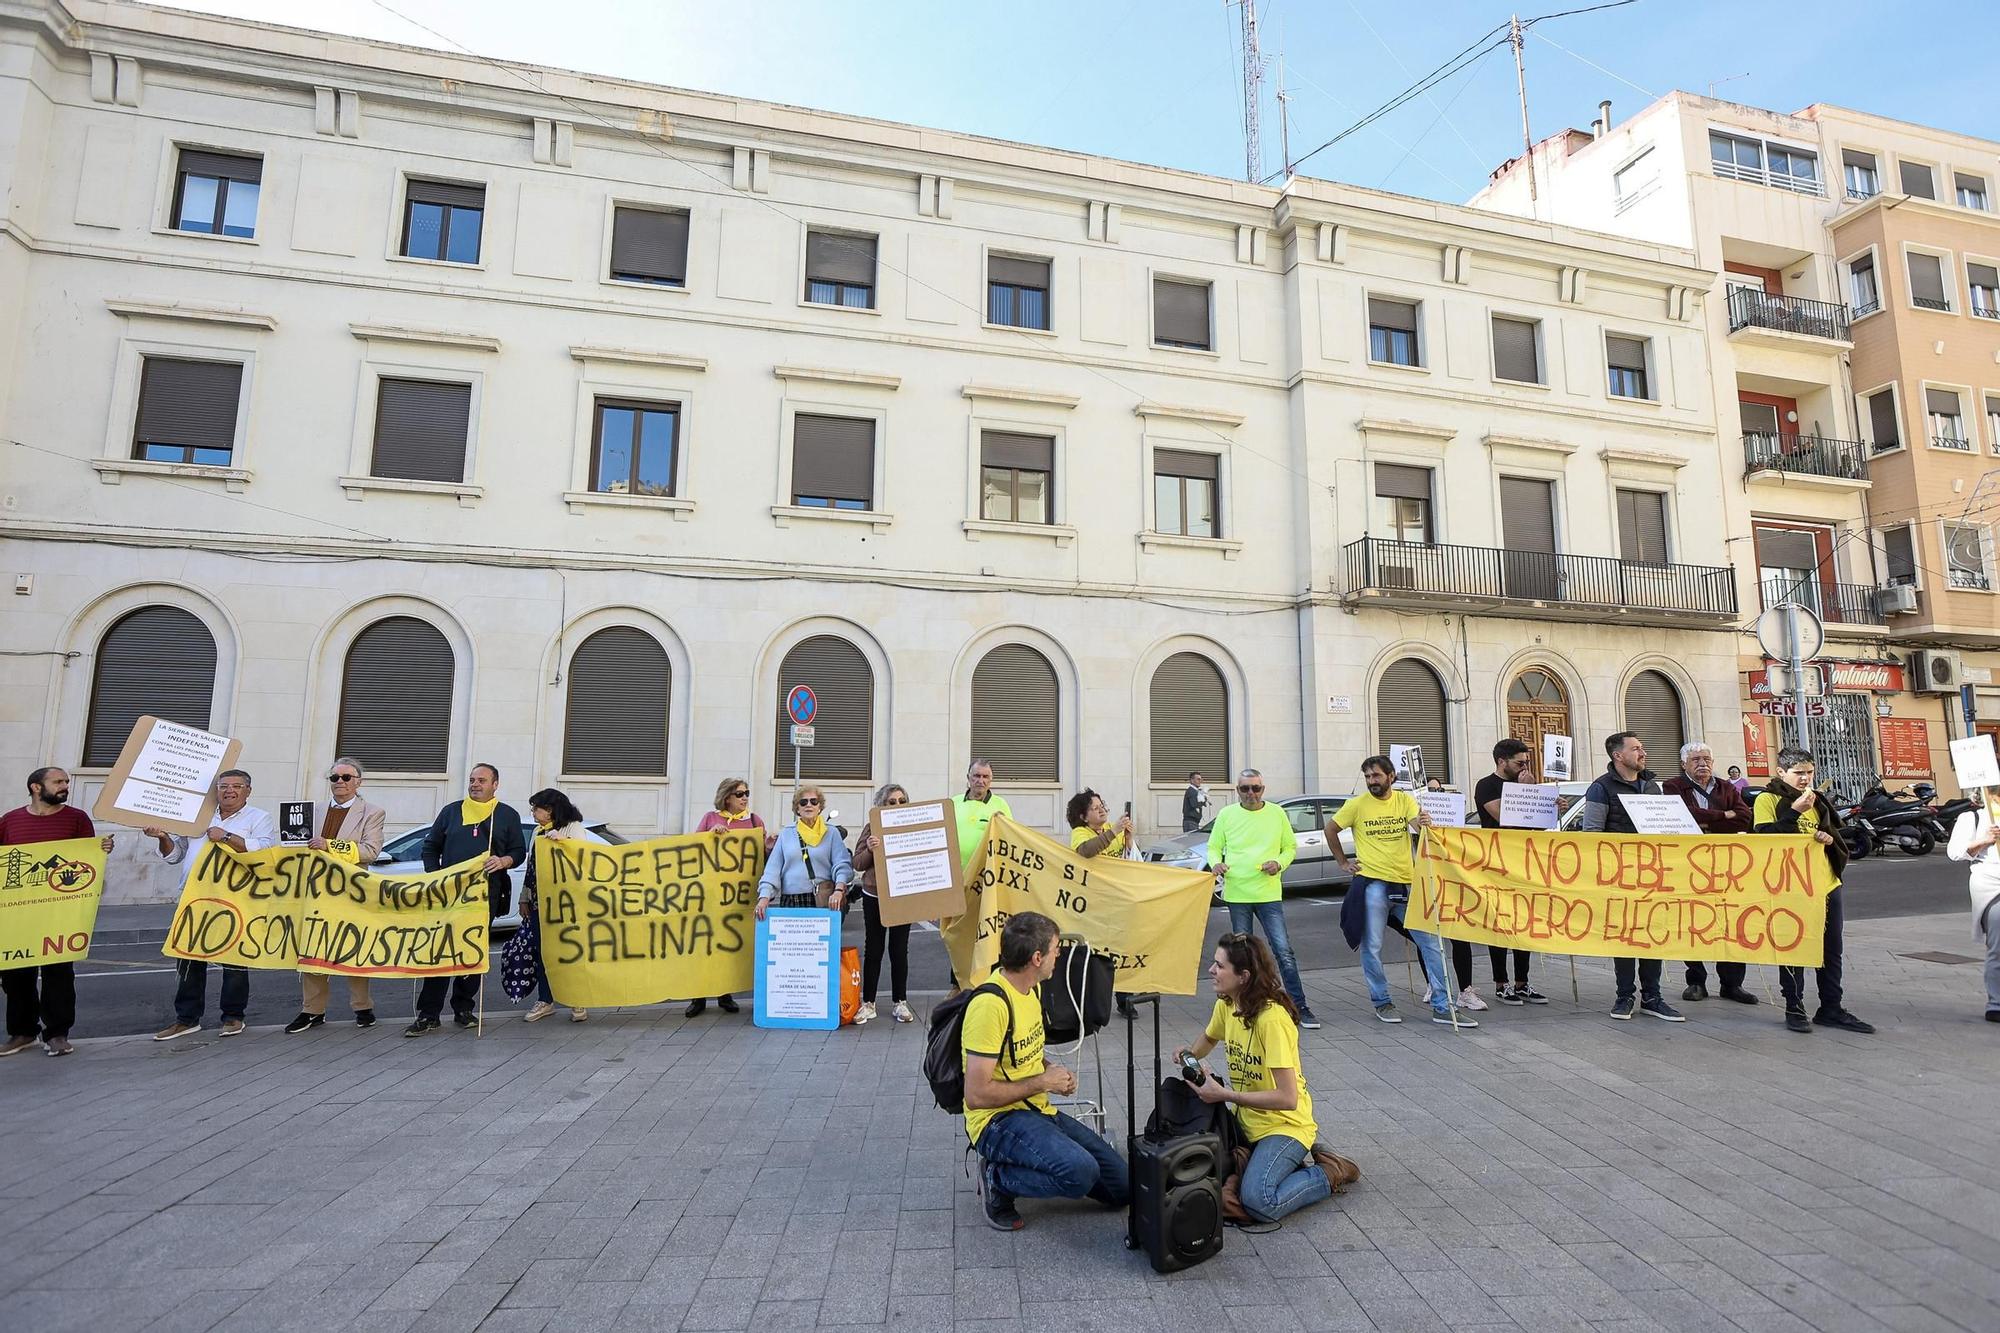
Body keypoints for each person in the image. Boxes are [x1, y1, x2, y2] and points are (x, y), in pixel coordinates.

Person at [963, 911, 1129, 1231]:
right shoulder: (990, 1005)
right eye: (1056, 949)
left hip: (1036, 1108)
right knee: (1080, 1173)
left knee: (1121, 1187)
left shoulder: (1033, 989)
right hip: (996, 1120)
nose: (1060, 955)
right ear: (1037, 958)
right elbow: (976, 1094)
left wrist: (1053, 1073)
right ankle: (998, 1180)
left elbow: (1028, 1054)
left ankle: (1043, 1163)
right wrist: (1042, 1081)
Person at [1175, 933, 1332, 1224]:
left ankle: (1327, 1173)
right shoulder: (1226, 1005)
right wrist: (1189, 1056)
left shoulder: (1272, 1019)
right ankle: (1265, 1168)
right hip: (1247, 1123)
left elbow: (1288, 1098)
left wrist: (1225, 1095)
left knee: (1260, 1203)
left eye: (1219, 966)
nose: (1211, 970)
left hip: (1286, 1127)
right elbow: (1208, 1038)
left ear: (1243, 976)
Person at [1329, 756, 1468, 1028]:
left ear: (1391, 776)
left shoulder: (1404, 800)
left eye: (1377, 776)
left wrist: (1424, 821)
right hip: (1372, 884)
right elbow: (1331, 828)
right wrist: (1342, 862)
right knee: (1372, 946)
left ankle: (1443, 1006)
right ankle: (1382, 1001)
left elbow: (1417, 824)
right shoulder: (1357, 805)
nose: (1372, 782)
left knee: (1431, 943)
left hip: (1407, 884)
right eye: (1368, 777)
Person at [145, 769, 274, 1040]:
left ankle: (233, 1017)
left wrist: (225, 836)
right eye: (223, 786)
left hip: (235, 898)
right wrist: (162, 837)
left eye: (236, 786)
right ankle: (187, 1019)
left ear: (247, 791)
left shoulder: (259, 818)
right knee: (189, 959)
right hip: (193, 897)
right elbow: (175, 856)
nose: (229, 791)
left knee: (234, 959)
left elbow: (263, 852)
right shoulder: (197, 817)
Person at [1753, 747, 1872, 1035]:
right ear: (1781, 772)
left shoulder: (1818, 801)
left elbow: (1832, 836)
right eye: (1798, 773)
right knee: (1793, 947)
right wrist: (1794, 812)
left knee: (1831, 949)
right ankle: (1794, 1007)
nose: (1805, 779)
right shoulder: (1768, 799)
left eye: (1809, 772)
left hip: (1826, 882)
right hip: (1790, 887)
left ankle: (1831, 1007)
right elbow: (1764, 838)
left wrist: (1827, 838)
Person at [0, 767, 114, 1057]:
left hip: (59, 913)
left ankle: (57, 1034)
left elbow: (87, 859)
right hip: (17, 913)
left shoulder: (77, 819)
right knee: (15, 975)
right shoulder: (10, 821)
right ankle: (22, 1032)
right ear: (36, 787)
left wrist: (101, 849)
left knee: (59, 975)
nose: (65, 786)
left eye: (66, 781)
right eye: (58, 782)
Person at [404, 764, 525, 1037]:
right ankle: (429, 1014)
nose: (475, 784)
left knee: (471, 950)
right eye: (472, 780)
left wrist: (504, 860)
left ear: (496, 784)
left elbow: (518, 851)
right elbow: (430, 846)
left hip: (485, 895)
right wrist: (437, 877)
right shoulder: (450, 812)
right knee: (439, 951)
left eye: (482, 780)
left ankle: (463, 1008)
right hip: (447, 895)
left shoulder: (506, 815)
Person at [1580, 733, 1683, 1022]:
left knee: (1651, 933)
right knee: (1624, 936)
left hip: (1652, 874)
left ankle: (1653, 996)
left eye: (1642, 747)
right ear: (1618, 755)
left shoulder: (1651, 786)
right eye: (1636, 748)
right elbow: (1592, 834)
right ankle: (1625, 995)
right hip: (1620, 875)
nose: (1643, 752)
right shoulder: (1600, 788)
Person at [1209, 769, 1318, 1028]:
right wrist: (1216, 863)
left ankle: (1299, 1005)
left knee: (1283, 950)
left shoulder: (1277, 813)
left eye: (1255, 788)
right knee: (1242, 956)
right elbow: (1214, 846)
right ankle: (1245, 1004)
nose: (1250, 794)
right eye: (1245, 788)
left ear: (1263, 789)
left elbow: (1289, 847)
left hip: (1268, 892)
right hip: (1237, 893)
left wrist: (1279, 863)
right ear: (1237, 790)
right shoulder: (1226, 815)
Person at [284, 757, 387, 1033]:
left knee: (354, 949)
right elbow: (292, 846)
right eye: (335, 778)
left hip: (350, 892)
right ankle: (312, 1010)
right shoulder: (311, 811)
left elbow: (370, 851)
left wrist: (330, 845)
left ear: (358, 782)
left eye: (346, 777)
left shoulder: (372, 812)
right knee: (313, 951)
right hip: (315, 892)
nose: (340, 782)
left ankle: (363, 1008)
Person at [1663, 741, 1758, 1005]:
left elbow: (1743, 817)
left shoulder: (1727, 786)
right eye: (1696, 760)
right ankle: (1696, 981)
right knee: (1692, 921)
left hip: (1727, 867)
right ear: (1684, 764)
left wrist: (1709, 818)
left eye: (1706, 759)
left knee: (1731, 922)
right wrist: (1723, 815)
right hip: (1689, 866)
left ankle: (1732, 984)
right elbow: (1683, 816)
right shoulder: (1673, 786)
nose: (1702, 764)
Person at [687, 777, 770, 1017]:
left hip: (739, 896)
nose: (745, 798)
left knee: (729, 946)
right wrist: (710, 835)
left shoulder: (754, 821)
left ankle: (725, 994)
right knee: (705, 945)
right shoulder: (710, 818)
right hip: (710, 895)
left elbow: (761, 858)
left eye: (747, 793)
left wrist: (768, 846)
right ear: (727, 798)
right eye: (740, 794)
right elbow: (693, 849)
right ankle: (698, 996)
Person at [1472, 739, 1545, 1005]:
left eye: (1526, 762)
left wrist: (1549, 805)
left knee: (1524, 922)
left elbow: (1534, 821)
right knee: (1500, 923)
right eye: (1519, 763)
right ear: (1502, 761)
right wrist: (1524, 792)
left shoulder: (1525, 785)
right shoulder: (1486, 785)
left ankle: (1522, 982)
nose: (1524, 767)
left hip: (1524, 860)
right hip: (1498, 862)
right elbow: (1506, 816)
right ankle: (1501, 983)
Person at [521, 787, 598, 1024]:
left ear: (551, 810)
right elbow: (531, 867)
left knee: (568, 951)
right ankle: (546, 999)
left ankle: (577, 999)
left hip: (565, 903)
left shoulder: (572, 828)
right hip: (539, 900)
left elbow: (582, 858)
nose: (533, 813)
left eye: (537, 808)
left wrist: (563, 842)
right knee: (542, 952)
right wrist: (524, 897)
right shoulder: (537, 832)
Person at [850, 783, 914, 1025]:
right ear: (881, 805)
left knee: (899, 950)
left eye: (901, 801)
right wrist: (870, 849)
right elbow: (857, 863)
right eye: (891, 801)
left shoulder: (912, 828)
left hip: (902, 897)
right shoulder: (872, 828)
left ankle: (900, 1002)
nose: (897, 805)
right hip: (874, 896)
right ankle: (869, 1003)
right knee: (874, 949)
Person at [944, 759, 1011, 987]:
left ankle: (990, 981)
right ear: (968, 777)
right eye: (976, 776)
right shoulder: (953, 803)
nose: (980, 781)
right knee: (956, 935)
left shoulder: (1000, 805)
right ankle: (957, 984)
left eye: (985, 777)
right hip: (957, 882)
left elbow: (1009, 840)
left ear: (991, 780)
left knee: (987, 933)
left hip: (986, 885)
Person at [756, 785, 854, 918]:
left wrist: (839, 890)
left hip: (823, 899)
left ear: (820, 807)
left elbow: (842, 865)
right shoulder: (786, 833)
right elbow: (773, 869)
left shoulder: (831, 832)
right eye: (803, 802)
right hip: (791, 901)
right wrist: (764, 897)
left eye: (814, 801)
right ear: (797, 808)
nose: (809, 805)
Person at [1946, 790, 2000, 1023]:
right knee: (1997, 943)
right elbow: (1955, 853)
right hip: (1991, 883)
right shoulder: (1973, 818)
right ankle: (1996, 1003)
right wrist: (1984, 841)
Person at [1067, 789, 1136, 860]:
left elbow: (1134, 858)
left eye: (1102, 806)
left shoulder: (1112, 827)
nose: (1102, 810)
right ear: (1084, 817)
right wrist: (1113, 832)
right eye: (1095, 808)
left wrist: (1129, 840)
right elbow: (1085, 851)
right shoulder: (1079, 832)